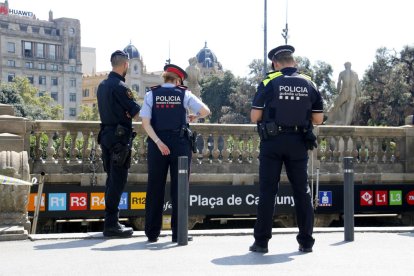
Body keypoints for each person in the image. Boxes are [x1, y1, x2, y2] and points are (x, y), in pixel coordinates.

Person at [249, 45, 324, 253]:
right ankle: (306, 242)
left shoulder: (268, 81)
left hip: (272, 142)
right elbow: (318, 118)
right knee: (302, 192)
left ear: (275, 64)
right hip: (299, 142)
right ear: (294, 63)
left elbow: (255, 116)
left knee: (267, 192)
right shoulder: (310, 83)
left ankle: (261, 243)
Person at [139, 64, 210, 243]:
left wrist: (158, 142)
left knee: (155, 188)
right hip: (180, 145)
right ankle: (179, 233)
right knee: (180, 189)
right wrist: (195, 117)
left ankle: (152, 233)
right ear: (178, 80)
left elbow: (145, 124)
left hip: (157, 145)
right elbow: (205, 111)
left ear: (164, 78)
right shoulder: (184, 93)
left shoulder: (151, 94)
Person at [97, 50, 141, 238]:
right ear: (125, 65)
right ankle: (112, 224)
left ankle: (110, 221)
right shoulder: (121, 87)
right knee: (118, 180)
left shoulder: (102, 85)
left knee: (111, 179)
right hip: (119, 140)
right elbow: (137, 112)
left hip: (106, 136)